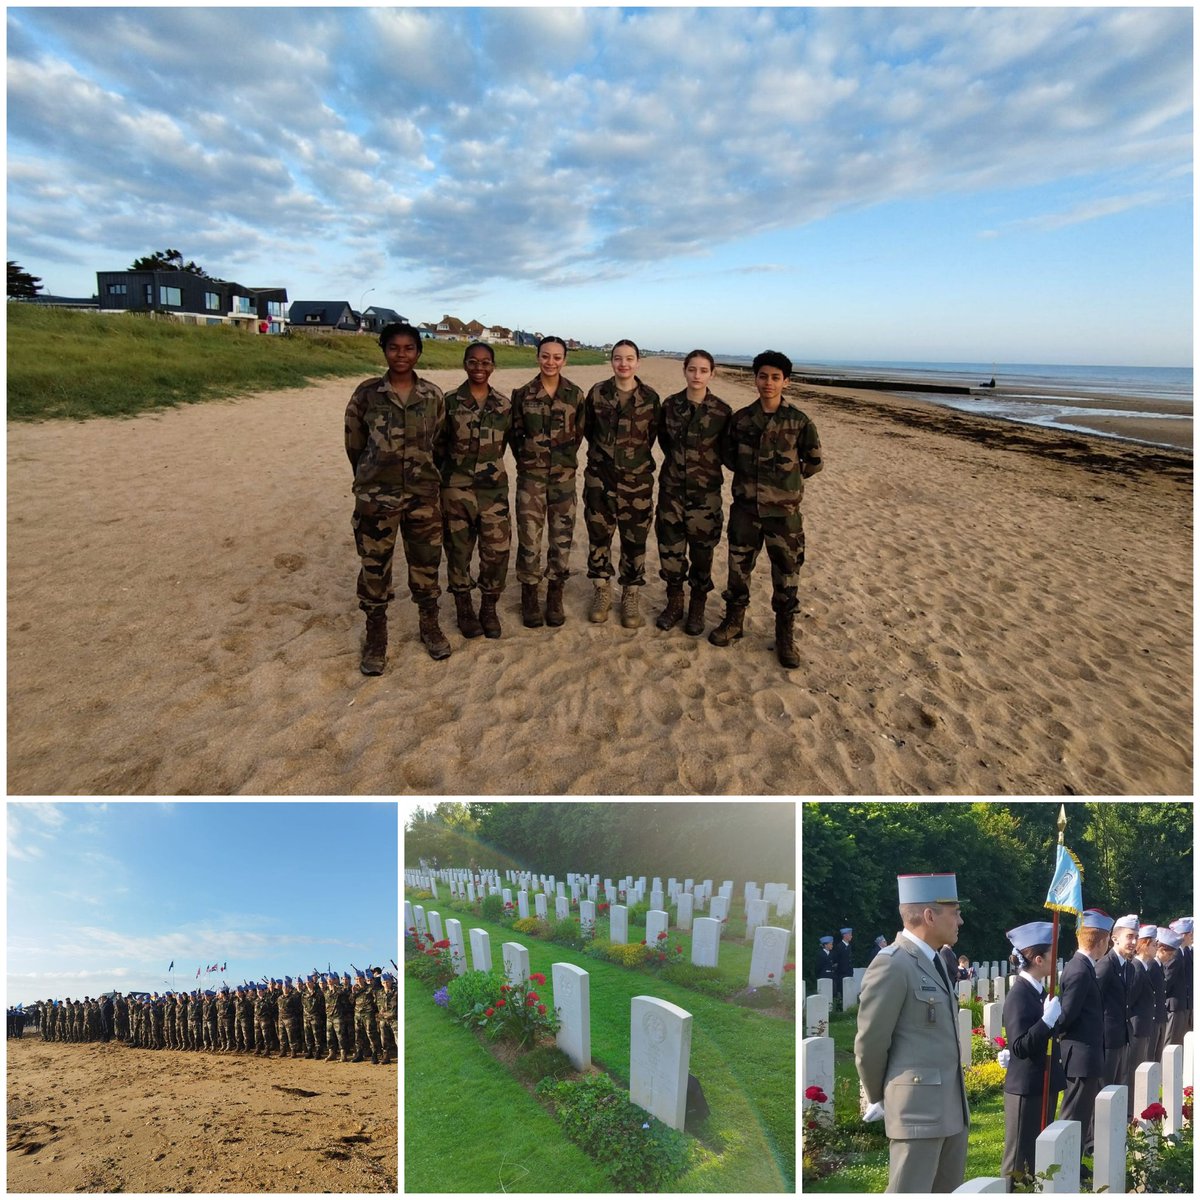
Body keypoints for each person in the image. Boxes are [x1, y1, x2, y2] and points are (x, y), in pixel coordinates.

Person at [345, 322, 451, 671]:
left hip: (422, 496)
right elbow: (355, 445)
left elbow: (440, 443)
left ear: (418, 352)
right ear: (384, 351)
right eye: (394, 348)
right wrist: (372, 479)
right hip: (377, 498)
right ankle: (376, 636)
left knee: (426, 564)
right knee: (374, 568)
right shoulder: (367, 394)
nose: (401, 355)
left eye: (408, 348)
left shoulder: (433, 396)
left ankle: (429, 625)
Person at [854, 871, 969, 1193]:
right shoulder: (893, 964)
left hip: (950, 1107)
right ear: (930, 916)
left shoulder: (934, 961)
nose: (960, 921)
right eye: (955, 912)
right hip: (916, 1111)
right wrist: (881, 1096)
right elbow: (871, 1042)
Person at [709, 350, 822, 668]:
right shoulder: (742, 419)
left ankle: (785, 635)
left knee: (787, 574)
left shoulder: (800, 422)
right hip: (745, 510)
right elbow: (729, 457)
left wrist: (783, 487)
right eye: (763, 376)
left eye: (775, 377)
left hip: (784, 515)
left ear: (786, 381)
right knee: (738, 570)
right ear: (755, 379)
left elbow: (813, 463)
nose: (768, 383)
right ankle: (734, 622)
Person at [582, 340, 661, 628]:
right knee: (599, 535)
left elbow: (651, 437)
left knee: (634, 540)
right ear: (611, 362)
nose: (623, 364)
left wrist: (630, 462)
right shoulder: (597, 393)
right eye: (618, 358)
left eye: (629, 358)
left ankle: (630, 593)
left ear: (638, 362)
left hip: (637, 483)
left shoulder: (651, 399)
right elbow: (589, 430)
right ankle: (602, 590)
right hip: (600, 479)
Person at [652, 350, 731, 634]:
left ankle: (697, 608)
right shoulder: (670, 406)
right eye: (692, 369)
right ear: (684, 370)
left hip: (705, 497)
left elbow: (726, 451)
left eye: (703, 370)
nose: (697, 375)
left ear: (712, 373)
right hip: (672, 492)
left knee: (702, 553)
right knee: (670, 551)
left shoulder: (722, 411)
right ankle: (674, 603)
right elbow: (664, 441)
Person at [509, 336, 586, 628]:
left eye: (557, 357)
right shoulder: (523, 394)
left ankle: (555, 593)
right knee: (529, 538)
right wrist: (532, 460)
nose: (550, 362)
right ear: (537, 357)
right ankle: (529, 594)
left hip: (563, 480)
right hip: (531, 479)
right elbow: (516, 435)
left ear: (565, 360)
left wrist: (561, 461)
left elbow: (578, 434)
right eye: (545, 356)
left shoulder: (575, 395)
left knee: (561, 538)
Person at [439, 342, 513, 639]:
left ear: (493, 366)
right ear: (465, 364)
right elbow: (438, 444)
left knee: (496, 552)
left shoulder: (504, 405)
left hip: (493, 491)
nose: (479, 368)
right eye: (473, 362)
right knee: (459, 551)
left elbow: (505, 444)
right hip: (456, 490)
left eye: (485, 363)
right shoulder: (448, 402)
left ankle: (488, 606)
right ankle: (464, 608)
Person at [998, 921, 1064, 1192]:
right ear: (1038, 959)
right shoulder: (1019, 995)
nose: (1057, 960)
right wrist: (1047, 1022)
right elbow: (1020, 1046)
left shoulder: (1037, 992)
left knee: (1036, 1154)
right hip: (1026, 1088)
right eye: (1053, 954)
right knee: (1019, 1159)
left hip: (1042, 1083)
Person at [1057, 908, 1111, 1173]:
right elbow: (1066, 1017)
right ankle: (1065, 1164)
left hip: (1085, 1057)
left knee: (1080, 1114)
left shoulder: (1083, 967)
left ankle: (1073, 1163)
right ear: (1100, 941)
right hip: (1079, 1057)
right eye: (1107, 940)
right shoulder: (1079, 971)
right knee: (1073, 1116)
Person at [1096, 914, 1140, 1095]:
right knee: (1104, 1093)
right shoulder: (1106, 965)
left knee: (1117, 1091)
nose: (1134, 941)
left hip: (1122, 1038)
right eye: (1130, 936)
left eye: (1136, 937)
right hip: (1106, 1039)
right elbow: (1094, 1002)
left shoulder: (1128, 967)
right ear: (1114, 938)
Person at [1130, 924, 1161, 1118]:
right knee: (1134, 1071)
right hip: (1136, 1028)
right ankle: (1132, 1110)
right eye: (1154, 944)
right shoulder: (1136, 968)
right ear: (1144, 944)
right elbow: (1130, 1002)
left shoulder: (1144, 967)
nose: (1157, 947)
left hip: (1143, 1027)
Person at [1159, 926, 1187, 1045]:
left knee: (1174, 1041)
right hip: (1172, 1005)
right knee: (1169, 1042)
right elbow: (1167, 981)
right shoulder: (1175, 956)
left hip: (1176, 1004)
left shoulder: (1176, 954)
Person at [832, 927, 854, 1005]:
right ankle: (840, 1005)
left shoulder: (849, 946)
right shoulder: (839, 946)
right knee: (841, 990)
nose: (851, 936)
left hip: (849, 972)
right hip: (841, 973)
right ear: (845, 935)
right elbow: (837, 960)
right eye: (850, 935)